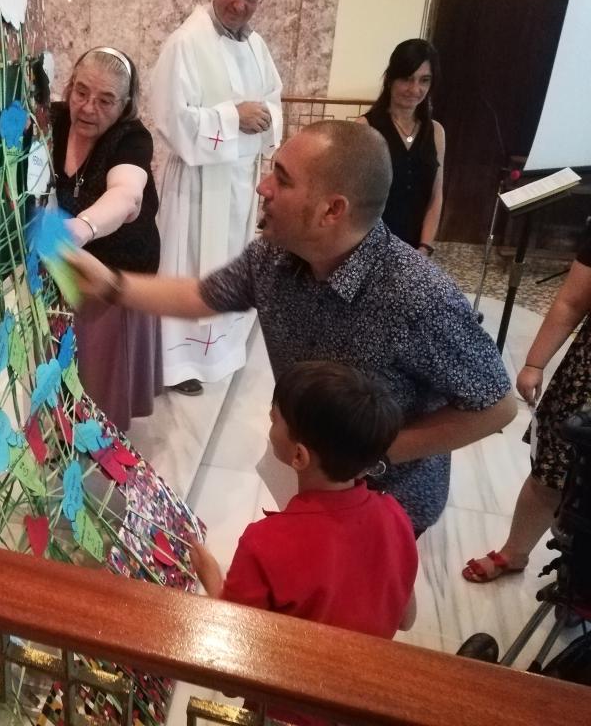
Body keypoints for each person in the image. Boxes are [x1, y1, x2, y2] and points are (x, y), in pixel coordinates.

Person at [67, 120, 517, 534]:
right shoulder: (274, 256)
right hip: (308, 470)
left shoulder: (416, 296)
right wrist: (111, 285)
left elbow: (497, 408)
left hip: (385, 499)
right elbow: (203, 296)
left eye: (282, 179)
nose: (262, 186)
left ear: (331, 210)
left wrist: (370, 454)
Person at [190, 361, 417, 639]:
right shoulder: (395, 515)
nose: (270, 424)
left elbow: (236, 634)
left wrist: (212, 579)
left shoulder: (264, 543)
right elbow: (406, 619)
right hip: (369, 663)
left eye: (274, 419)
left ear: (299, 456)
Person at [150, 0, 282, 396]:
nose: (240, 3)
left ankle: (221, 349)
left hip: (239, 184)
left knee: (230, 263)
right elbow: (169, 117)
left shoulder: (257, 46)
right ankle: (178, 363)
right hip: (197, 185)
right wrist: (232, 117)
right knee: (189, 265)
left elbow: (274, 100)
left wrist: (265, 116)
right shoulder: (186, 42)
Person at [463, 233, 591, 582]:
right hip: (587, 380)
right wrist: (534, 363)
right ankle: (514, 553)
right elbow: (572, 301)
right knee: (552, 472)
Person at [50, 46, 161, 431]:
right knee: (57, 358)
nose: (88, 108)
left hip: (116, 266)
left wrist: (82, 228)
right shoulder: (53, 120)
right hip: (64, 267)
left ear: (125, 105)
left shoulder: (131, 138)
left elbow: (126, 195)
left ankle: (98, 436)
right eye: (81, 92)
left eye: (105, 100)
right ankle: (60, 425)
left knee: (101, 369)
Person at [358, 39, 445, 254]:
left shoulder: (436, 132)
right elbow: (355, 197)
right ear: (390, 79)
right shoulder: (365, 127)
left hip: (415, 249)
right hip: (370, 246)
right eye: (407, 79)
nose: (415, 89)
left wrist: (424, 248)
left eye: (424, 80)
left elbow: (436, 196)